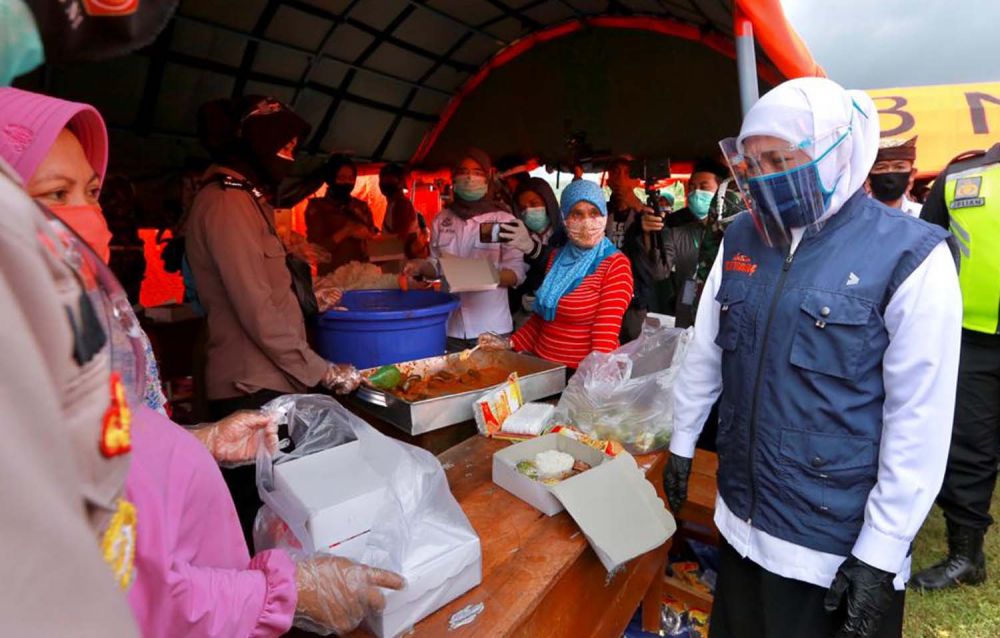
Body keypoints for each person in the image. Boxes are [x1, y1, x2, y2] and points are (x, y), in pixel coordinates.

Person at [663, 78, 962, 638]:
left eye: (781, 158)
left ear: (838, 151)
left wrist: (881, 550)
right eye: (752, 164)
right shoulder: (742, 237)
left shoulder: (910, 255)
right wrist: (683, 443)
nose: (765, 176)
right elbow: (706, 350)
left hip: (830, 545)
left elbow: (918, 419)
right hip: (740, 520)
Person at [183, 96, 361, 541]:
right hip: (251, 386)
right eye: (285, 146)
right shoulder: (226, 204)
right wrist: (321, 371)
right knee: (262, 518)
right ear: (254, 145)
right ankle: (269, 602)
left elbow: (267, 291)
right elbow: (255, 309)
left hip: (272, 378)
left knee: (284, 514)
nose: (291, 158)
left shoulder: (249, 201)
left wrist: (309, 299)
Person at [0, 87, 169, 415]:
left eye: (92, 191)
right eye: (58, 193)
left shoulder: (104, 311)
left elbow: (136, 433)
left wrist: (204, 442)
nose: (89, 213)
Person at [910, 143, 1000, 591]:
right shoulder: (961, 175)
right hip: (969, 339)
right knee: (967, 447)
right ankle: (966, 555)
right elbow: (926, 247)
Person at [479, 179, 634, 369]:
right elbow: (542, 318)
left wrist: (598, 376)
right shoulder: (557, 258)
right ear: (565, 219)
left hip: (580, 374)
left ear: (604, 215)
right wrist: (509, 343)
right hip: (543, 366)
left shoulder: (615, 265)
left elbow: (605, 332)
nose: (586, 221)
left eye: (594, 213)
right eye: (577, 213)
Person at [409, 148, 527, 351]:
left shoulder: (504, 219)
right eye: (463, 171)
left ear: (488, 178)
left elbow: (517, 272)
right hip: (451, 327)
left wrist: (486, 275)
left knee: (494, 380)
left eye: (477, 172)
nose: (469, 177)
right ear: (454, 177)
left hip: (492, 328)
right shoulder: (442, 218)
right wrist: (420, 268)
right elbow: (436, 265)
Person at [628, 159, 727, 328]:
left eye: (704, 187)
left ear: (722, 191)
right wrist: (648, 235)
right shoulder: (676, 233)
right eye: (692, 187)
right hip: (687, 316)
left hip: (723, 316)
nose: (696, 193)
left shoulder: (734, 232)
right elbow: (658, 272)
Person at [499, 177, 567, 325]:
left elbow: (564, 266)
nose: (528, 211)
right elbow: (514, 272)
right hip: (524, 318)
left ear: (548, 202)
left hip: (561, 319)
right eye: (522, 208)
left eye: (534, 204)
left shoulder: (566, 234)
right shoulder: (517, 236)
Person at [306, 154, 378, 275]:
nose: (347, 182)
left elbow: (373, 244)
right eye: (341, 177)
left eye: (351, 178)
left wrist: (370, 237)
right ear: (331, 179)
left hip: (360, 276)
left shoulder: (361, 207)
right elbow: (316, 251)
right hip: (331, 278)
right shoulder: (317, 207)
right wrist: (346, 231)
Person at [100, 175, 147, 305]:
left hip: (130, 259)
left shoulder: (131, 216)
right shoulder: (103, 217)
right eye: (116, 198)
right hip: (113, 260)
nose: (121, 204)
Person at [867, 136, 922, 216]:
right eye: (881, 168)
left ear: (912, 174)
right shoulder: (853, 216)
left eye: (899, 167)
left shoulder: (923, 215)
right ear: (868, 177)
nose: (890, 173)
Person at [605, 156, 649, 249]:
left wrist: (639, 208)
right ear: (608, 182)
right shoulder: (600, 212)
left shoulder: (647, 214)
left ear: (637, 182)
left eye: (627, 173)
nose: (621, 178)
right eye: (616, 172)